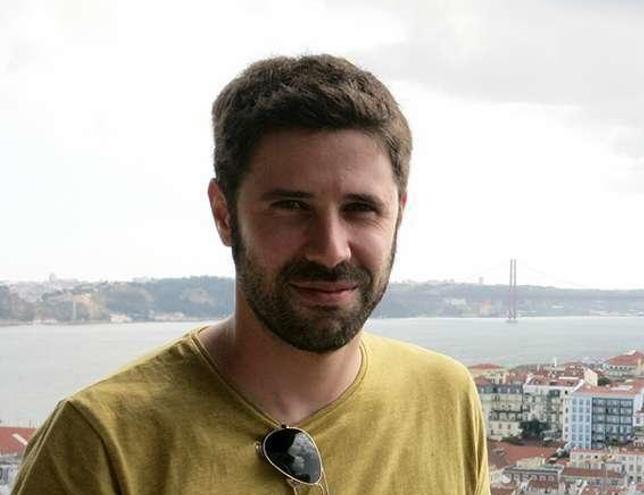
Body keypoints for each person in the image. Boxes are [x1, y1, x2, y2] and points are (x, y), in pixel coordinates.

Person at [13, 55, 490, 494]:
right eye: (291, 207)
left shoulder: (445, 397)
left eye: (361, 209)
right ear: (224, 215)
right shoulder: (101, 442)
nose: (330, 250)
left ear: (398, 216)